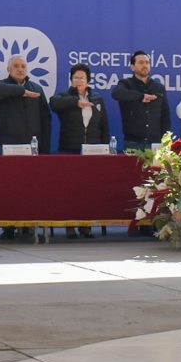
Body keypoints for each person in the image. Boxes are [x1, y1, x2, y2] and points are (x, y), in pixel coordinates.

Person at [0, 55, 51, 241]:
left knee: (30, 189)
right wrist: (22, 92)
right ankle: (8, 226)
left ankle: (27, 226)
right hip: (8, 148)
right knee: (7, 190)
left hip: (32, 150)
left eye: (23, 66)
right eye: (16, 66)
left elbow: (45, 120)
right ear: (8, 69)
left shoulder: (37, 89)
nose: (20, 68)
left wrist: (45, 149)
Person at [49, 63, 109, 239]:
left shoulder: (97, 98)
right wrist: (76, 102)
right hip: (70, 149)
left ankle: (86, 225)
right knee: (70, 189)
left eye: (82, 78)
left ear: (88, 81)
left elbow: (104, 125)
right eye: (75, 78)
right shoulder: (65, 96)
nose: (78, 81)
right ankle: (69, 225)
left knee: (89, 190)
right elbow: (54, 103)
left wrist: (104, 146)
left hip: (93, 151)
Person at [112, 50, 171, 152]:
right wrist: (140, 96)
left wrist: (166, 141)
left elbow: (165, 116)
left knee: (156, 169)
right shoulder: (126, 84)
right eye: (140, 63)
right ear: (132, 67)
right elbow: (116, 93)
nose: (145, 65)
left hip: (155, 143)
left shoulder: (159, 87)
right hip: (133, 143)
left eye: (147, 63)